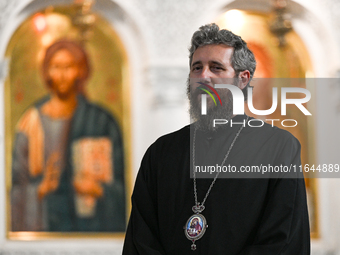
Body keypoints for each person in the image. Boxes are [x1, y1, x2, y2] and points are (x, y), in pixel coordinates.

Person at [123, 23, 310, 254]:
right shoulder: (161, 153)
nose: (204, 76)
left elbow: (283, 242)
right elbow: (140, 241)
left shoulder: (278, 148)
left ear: (242, 80)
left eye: (216, 68)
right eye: (197, 68)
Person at [11, 40, 126, 232]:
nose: (62, 75)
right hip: (45, 226)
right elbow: (15, 189)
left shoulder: (101, 121)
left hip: (87, 227)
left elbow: (125, 187)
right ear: (47, 71)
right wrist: (41, 188)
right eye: (56, 67)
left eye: (69, 67)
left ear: (81, 71)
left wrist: (98, 189)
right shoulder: (31, 124)